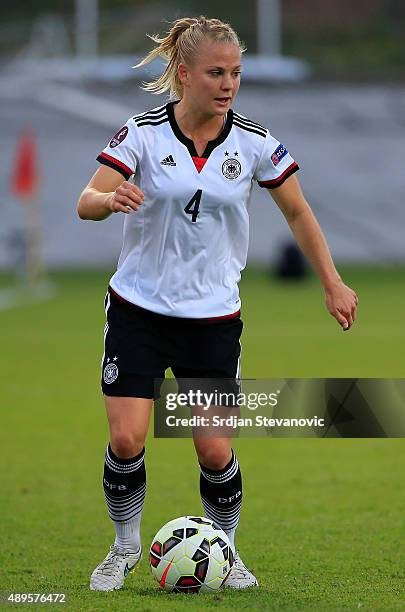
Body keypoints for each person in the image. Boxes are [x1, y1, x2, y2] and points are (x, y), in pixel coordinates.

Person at [77, 16, 358, 592]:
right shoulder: (144, 132)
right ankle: (124, 546)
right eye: (215, 72)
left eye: (235, 72)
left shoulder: (255, 142)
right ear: (184, 73)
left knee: (213, 449)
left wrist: (332, 281)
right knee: (127, 439)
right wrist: (109, 200)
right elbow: (86, 199)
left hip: (212, 320)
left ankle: (224, 550)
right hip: (139, 310)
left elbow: (298, 212)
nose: (228, 83)